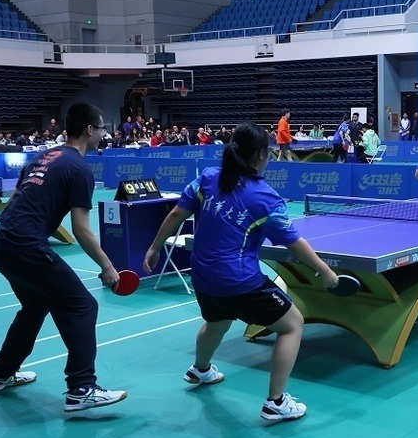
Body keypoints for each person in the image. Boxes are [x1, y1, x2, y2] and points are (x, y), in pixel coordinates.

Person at [142, 122, 339, 421]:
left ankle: (201, 369)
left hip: (203, 276)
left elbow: (177, 213)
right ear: (260, 154)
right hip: (239, 282)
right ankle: (276, 402)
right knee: (292, 325)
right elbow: (294, 242)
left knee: (217, 321)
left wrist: (154, 248)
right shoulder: (265, 197)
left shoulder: (208, 178)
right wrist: (325, 271)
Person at [0, 102, 127, 412]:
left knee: (35, 306)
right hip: (27, 247)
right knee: (82, 306)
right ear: (89, 130)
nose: (104, 135)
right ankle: (82, 388)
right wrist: (108, 267)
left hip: (1, 244)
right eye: (102, 129)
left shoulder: (43, 157)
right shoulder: (79, 168)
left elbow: (17, 199)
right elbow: (81, 230)